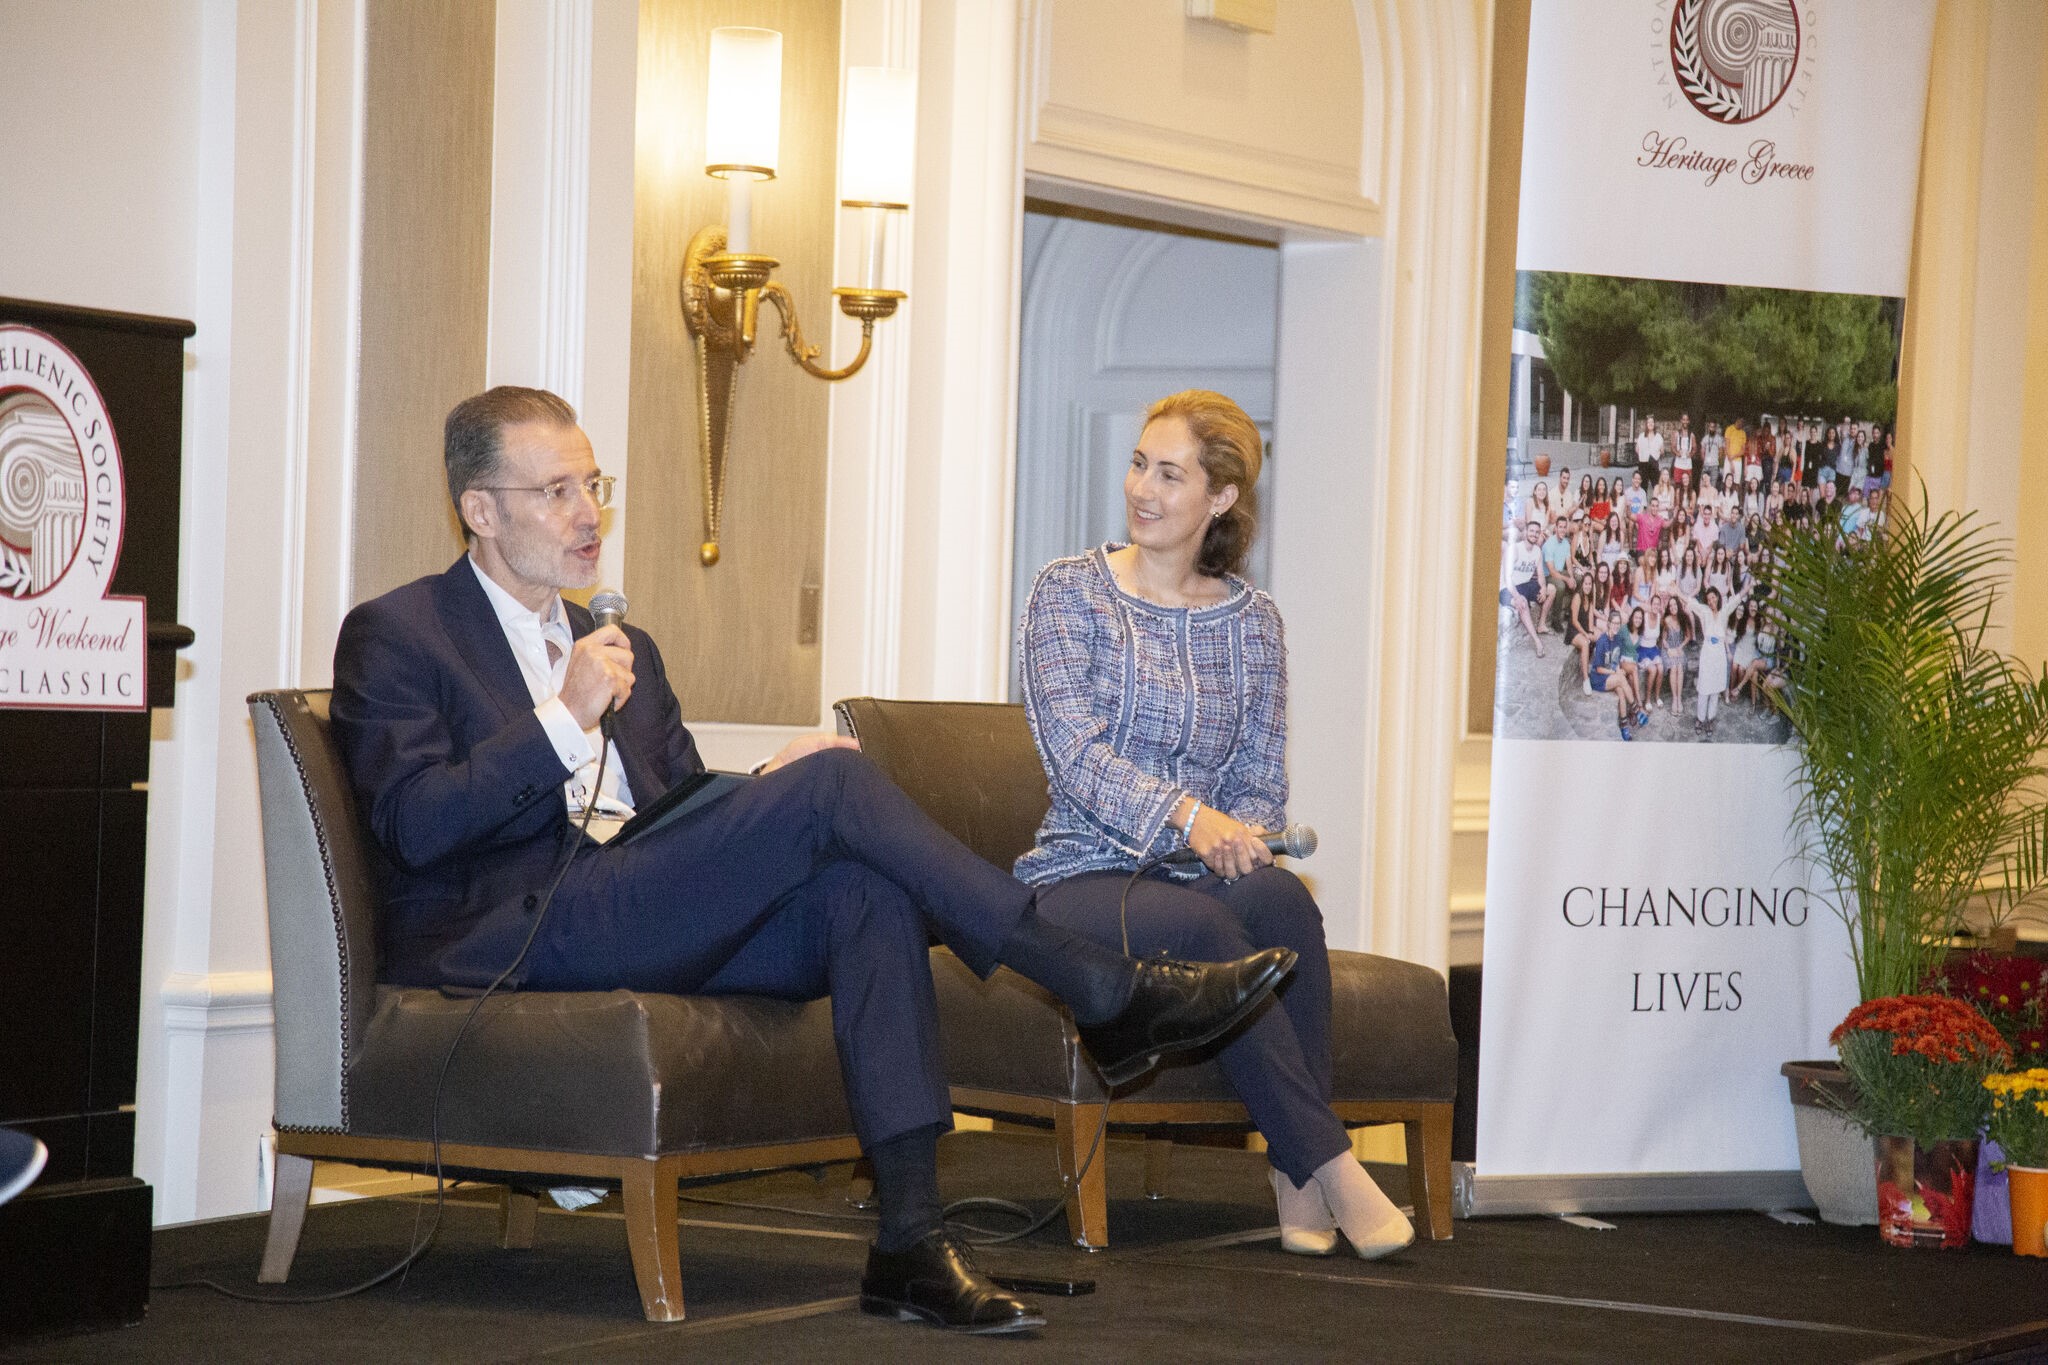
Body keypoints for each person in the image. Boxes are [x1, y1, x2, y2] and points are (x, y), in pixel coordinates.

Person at [329, 386, 1294, 1336]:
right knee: (834, 793)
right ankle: (1098, 985)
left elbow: (672, 814)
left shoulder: (621, 645)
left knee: (859, 885)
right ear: (481, 510)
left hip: (633, 903)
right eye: (557, 492)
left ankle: (911, 1241)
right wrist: (560, 718)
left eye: (594, 485)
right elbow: (414, 825)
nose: (589, 514)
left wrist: (763, 786)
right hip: (526, 927)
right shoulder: (402, 633)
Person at [1015, 390, 1417, 1261]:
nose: (1142, 489)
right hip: (1079, 875)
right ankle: (1330, 1162)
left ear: (1221, 497)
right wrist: (1190, 819)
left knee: (1281, 902)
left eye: (1170, 474)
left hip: (1197, 878)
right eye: (1139, 464)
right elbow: (1074, 756)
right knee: (1205, 926)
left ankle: (1292, 1176)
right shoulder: (1067, 592)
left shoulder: (1255, 622)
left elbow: (1260, 782)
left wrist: (1241, 837)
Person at [1680, 584, 1749, 735]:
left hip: (1719, 654)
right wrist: (1676, 591)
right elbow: (1689, 602)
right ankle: (1700, 718)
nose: (1711, 601)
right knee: (1704, 687)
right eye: (1708, 599)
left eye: (1713, 597)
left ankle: (1710, 719)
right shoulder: (1704, 611)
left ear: (1717, 597)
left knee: (1715, 688)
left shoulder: (1725, 611)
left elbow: (1738, 598)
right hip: (1707, 652)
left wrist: (1749, 585)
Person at [1589, 609, 1647, 740]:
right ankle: (1637, 710)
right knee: (1621, 679)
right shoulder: (1602, 641)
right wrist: (1615, 672)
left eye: (1618, 624)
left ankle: (1624, 726)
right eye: (1614, 623)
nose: (1616, 626)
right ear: (1608, 624)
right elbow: (1598, 668)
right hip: (1599, 679)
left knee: (1621, 691)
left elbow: (1616, 661)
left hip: (1610, 676)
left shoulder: (1617, 640)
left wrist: (1618, 669)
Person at [1503, 518, 1552, 655]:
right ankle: (1537, 642)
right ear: (1525, 532)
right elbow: (1507, 578)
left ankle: (1541, 624)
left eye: (1537, 532)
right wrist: (1517, 597)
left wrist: (1543, 587)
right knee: (1522, 602)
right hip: (1507, 588)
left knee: (1551, 589)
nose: (1534, 534)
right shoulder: (1515, 549)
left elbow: (1540, 575)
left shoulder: (1537, 551)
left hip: (1525, 584)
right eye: (1531, 531)